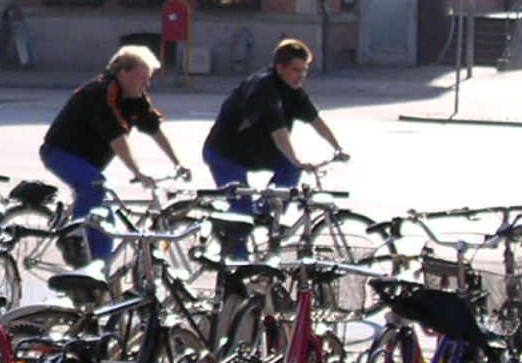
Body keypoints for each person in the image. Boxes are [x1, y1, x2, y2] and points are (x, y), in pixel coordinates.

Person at [39, 45, 186, 265]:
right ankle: (73, 236)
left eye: (148, 78)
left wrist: (178, 162)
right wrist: (138, 171)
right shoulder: (101, 92)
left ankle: (99, 272)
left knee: (106, 225)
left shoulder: (136, 97)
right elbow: (116, 138)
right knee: (95, 184)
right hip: (60, 153)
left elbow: (154, 128)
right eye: (142, 77)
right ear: (123, 73)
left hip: (89, 162)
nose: (146, 84)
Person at [203, 37, 346, 200]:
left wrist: (337, 147)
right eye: (296, 70)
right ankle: (246, 213)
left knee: (290, 172)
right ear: (280, 68)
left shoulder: (294, 90)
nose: (301, 76)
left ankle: (269, 209)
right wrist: (296, 160)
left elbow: (316, 121)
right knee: (243, 208)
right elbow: (279, 132)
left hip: (257, 152)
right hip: (227, 153)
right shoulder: (265, 88)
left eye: (304, 70)